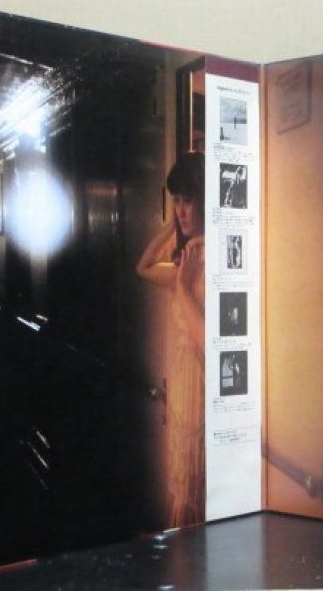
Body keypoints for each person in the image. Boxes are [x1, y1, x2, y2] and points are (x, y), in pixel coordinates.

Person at [136, 152, 205, 527]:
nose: (181, 210)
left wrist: (184, 287)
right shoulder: (187, 257)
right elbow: (143, 267)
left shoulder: (207, 260)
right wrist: (171, 225)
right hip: (179, 382)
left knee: (194, 481)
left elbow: (207, 343)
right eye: (176, 201)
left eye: (187, 201)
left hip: (199, 381)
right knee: (181, 475)